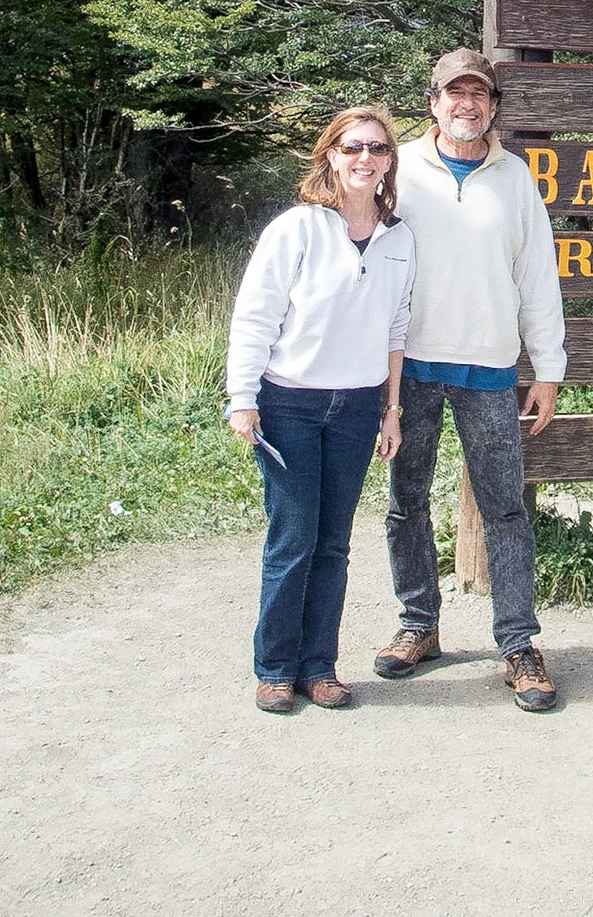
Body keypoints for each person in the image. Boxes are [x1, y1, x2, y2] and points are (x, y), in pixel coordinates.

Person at [375, 49, 567, 712]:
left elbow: (537, 277)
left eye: (479, 95)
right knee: (407, 502)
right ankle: (418, 624)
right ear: (432, 101)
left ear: (493, 106)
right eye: (454, 93)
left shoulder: (515, 180)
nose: (467, 104)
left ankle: (518, 644)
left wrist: (548, 369)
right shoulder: (396, 168)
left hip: (488, 370)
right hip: (411, 369)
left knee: (505, 509)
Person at [226, 106, 416, 714]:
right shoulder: (297, 229)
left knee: (334, 542)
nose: (366, 159)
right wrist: (243, 399)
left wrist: (392, 411)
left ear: (390, 162)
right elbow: (256, 316)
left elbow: (395, 329)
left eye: (379, 149)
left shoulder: (399, 237)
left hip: (359, 408)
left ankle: (319, 667)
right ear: (331, 155)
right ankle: (276, 668)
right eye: (354, 147)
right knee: (293, 536)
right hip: (290, 405)